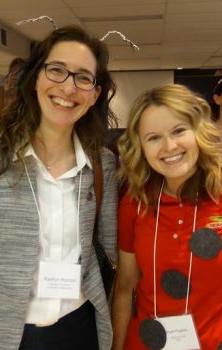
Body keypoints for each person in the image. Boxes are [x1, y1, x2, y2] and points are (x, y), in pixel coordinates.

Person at [0, 25, 118, 350]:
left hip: (80, 328)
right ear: (37, 77)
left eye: (83, 77)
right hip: (4, 334)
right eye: (57, 70)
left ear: (95, 94)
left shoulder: (101, 165)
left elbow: (108, 256)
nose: (68, 87)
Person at [112, 84, 222, 350]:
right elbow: (126, 286)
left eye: (179, 131)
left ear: (199, 132)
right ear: (141, 146)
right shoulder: (135, 202)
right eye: (153, 137)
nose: (169, 146)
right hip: (144, 341)